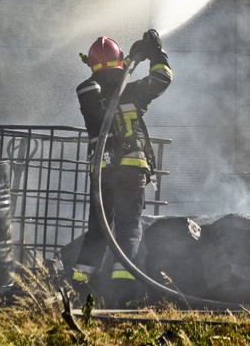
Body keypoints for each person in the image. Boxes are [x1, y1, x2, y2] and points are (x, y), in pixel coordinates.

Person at [71, 29, 172, 307]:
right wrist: (155, 53)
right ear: (118, 63)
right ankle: (121, 295)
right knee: (128, 231)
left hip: (102, 171)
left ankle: (80, 292)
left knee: (97, 230)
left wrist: (131, 58)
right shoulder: (132, 90)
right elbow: (163, 78)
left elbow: (100, 82)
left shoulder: (89, 91)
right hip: (132, 169)